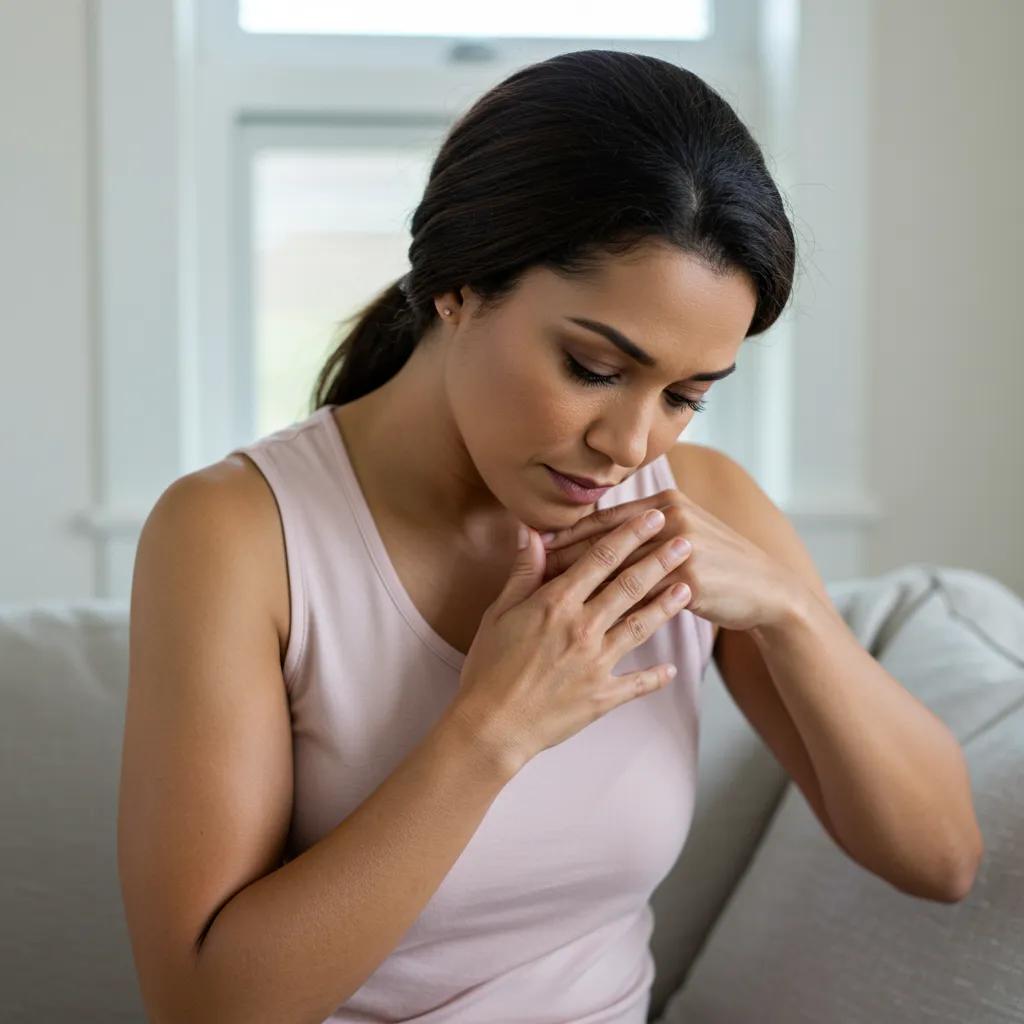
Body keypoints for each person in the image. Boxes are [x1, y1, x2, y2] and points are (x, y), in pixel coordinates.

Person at [118, 49, 794, 1023]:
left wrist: (792, 609)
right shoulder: (235, 535)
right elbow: (201, 1008)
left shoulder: (694, 505)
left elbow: (940, 858)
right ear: (461, 286)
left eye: (686, 395)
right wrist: (492, 731)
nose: (631, 444)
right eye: (593, 367)